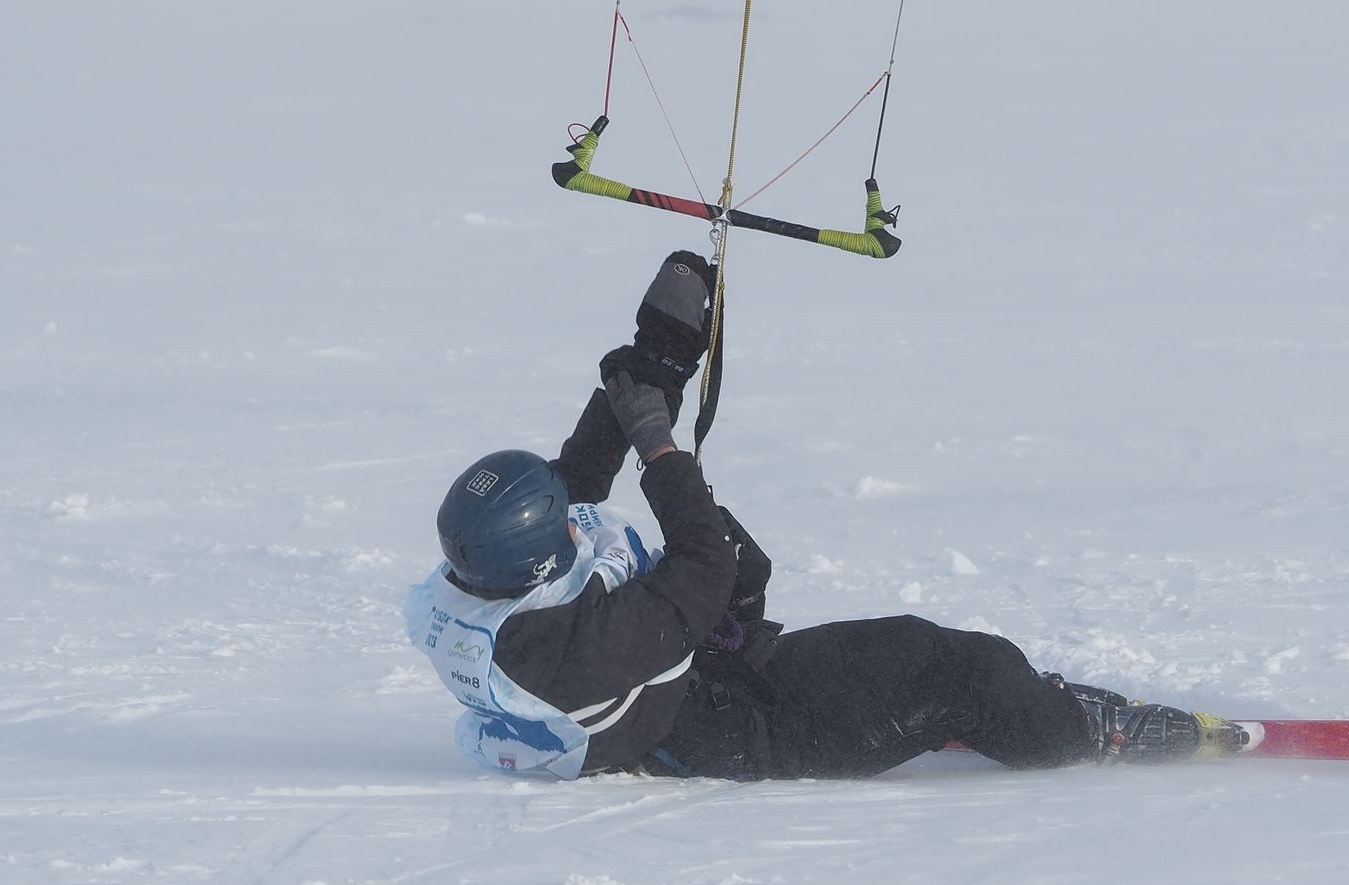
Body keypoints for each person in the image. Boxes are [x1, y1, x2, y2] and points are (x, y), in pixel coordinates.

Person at [405, 252, 1245, 781]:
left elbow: (578, 483)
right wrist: (661, 449)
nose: (569, 523)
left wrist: (652, 360)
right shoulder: (560, 649)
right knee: (957, 668)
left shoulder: (489, 581)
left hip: (716, 674)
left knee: (866, 623)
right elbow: (698, 572)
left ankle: (1026, 701)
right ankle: (1091, 732)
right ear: (536, 564)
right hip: (743, 730)